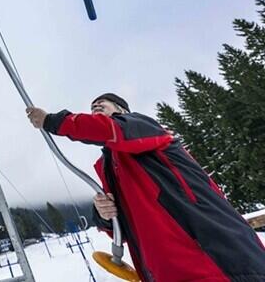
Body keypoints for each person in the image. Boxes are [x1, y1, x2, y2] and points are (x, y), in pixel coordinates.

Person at [26, 93, 265, 282]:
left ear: (122, 111)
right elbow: (123, 226)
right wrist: (104, 215)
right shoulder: (108, 166)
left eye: (102, 104)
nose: (95, 107)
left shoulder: (141, 128)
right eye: (92, 107)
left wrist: (52, 121)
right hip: (165, 272)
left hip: (217, 260)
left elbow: (108, 129)